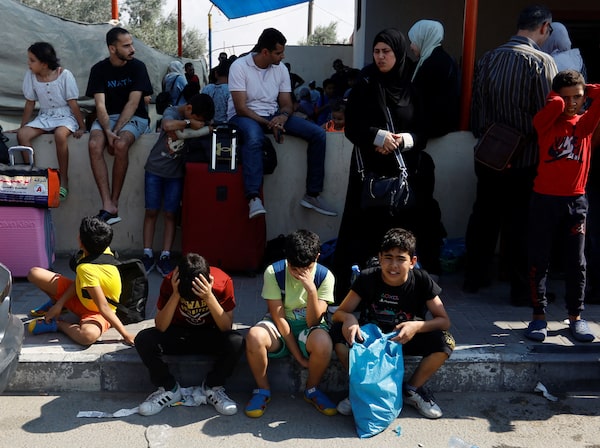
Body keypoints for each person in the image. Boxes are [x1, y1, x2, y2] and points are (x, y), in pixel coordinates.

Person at [332, 27, 445, 302]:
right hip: (368, 174)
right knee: (362, 234)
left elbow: (424, 131)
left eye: (386, 51)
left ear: (399, 53)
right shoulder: (365, 83)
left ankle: (400, 295)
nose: (380, 57)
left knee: (400, 235)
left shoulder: (412, 87)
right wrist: (377, 136)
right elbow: (352, 127)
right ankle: (358, 294)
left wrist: (404, 140)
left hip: (404, 175)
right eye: (376, 51)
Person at [464, 5, 558, 305]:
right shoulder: (542, 62)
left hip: (489, 154)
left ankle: (473, 278)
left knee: (483, 217)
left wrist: (487, 138)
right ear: (544, 28)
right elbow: (548, 116)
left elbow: (477, 108)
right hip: (526, 158)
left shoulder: (489, 58)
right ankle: (522, 290)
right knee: (521, 225)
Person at [331, 228, 454, 418]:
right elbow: (339, 313)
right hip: (370, 342)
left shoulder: (421, 280)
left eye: (401, 259)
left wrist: (416, 326)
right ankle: (361, 389)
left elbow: (444, 321)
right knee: (338, 333)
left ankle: (412, 390)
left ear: (412, 262)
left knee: (445, 341)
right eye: (388, 257)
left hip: (403, 339)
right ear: (380, 258)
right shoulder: (367, 277)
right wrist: (349, 319)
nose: (393, 265)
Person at [227, 28, 337, 219]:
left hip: (272, 115)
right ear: (265, 52)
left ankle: (312, 194)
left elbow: (286, 104)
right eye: (278, 53)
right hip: (243, 117)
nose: (282, 56)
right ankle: (253, 197)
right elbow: (241, 108)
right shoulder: (239, 66)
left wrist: (282, 117)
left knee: (318, 134)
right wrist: (269, 123)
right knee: (254, 137)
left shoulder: (281, 69)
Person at [524, 70, 600, 343]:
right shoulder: (546, 122)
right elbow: (553, 108)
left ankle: (576, 317)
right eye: (565, 98)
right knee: (539, 259)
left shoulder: (585, 124)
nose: (571, 103)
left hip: (576, 202)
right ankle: (538, 316)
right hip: (544, 200)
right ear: (555, 97)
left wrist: (586, 89)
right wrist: (557, 98)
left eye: (577, 97)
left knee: (576, 262)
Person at [135, 253, 244, 416]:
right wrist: (176, 294)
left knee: (236, 341)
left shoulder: (222, 282)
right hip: (178, 333)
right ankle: (169, 388)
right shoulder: (170, 281)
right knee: (144, 339)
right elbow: (161, 326)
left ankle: (213, 387)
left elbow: (226, 327)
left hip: (210, 333)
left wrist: (209, 296)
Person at [244, 229, 337, 418]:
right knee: (254, 336)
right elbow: (279, 318)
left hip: (309, 330)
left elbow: (313, 322)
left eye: (307, 268)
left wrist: (311, 291)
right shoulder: (273, 272)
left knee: (324, 343)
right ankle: (262, 390)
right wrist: (299, 357)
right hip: (281, 328)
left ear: (317, 257)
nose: (300, 274)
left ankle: (312, 390)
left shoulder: (325, 276)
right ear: (287, 258)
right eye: (294, 269)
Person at [26, 216, 135, 346]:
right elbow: (78, 283)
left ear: (81, 241)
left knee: (87, 336)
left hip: (97, 312)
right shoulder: (101, 249)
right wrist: (59, 304)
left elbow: (104, 307)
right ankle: (58, 307)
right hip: (81, 298)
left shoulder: (86, 268)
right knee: (34, 273)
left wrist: (125, 334)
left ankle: (58, 324)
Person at [142, 94, 215, 277]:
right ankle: (147, 253)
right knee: (151, 211)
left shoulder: (196, 119)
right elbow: (167, 125)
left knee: (170, 214)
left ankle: (165, 255)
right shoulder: (172, 111)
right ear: (189, 109)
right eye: (196, 118)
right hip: (155, 170)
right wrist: (190, 123)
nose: (198, 122)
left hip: (175, 175)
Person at [86, 27, 153, 225]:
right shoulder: (98, 70)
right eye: (126, 46)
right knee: (93, 145)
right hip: (108, 117)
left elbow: (133, 104)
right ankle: (107, 204)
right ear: (112, 49)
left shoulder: (138, 67)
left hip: (135, 116)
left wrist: (114, 133)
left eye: (132, 44)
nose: (132, 49)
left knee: (120, 144)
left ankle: (114, 203)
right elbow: (100, 106)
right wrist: (107, 131)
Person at [16, 42, 86, 201]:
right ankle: (33, 175)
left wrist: (82, 126)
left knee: (60, 135)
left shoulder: (64, 75)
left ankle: (64, 179)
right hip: (45, 116)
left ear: (44, 64)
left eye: (32, 60)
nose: (28, 63)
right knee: (23, 135)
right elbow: (30, 103)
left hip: (65, 115)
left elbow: (73, 103)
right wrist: (22, 127)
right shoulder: (31, 76)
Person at [407, 19, 460, 138]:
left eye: (413, 41)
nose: (411, 46)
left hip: (434, 130)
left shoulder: (435, 63)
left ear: (424, 38)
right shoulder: (434, 59)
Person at [201, 60, 231, 124]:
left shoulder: (206, 88)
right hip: (226, 125)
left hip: (208, 125)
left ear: (216, 74)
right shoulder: (230, 90)